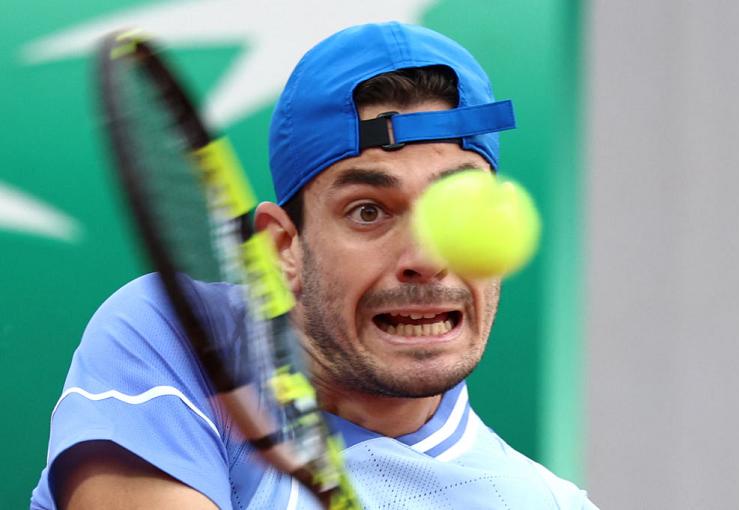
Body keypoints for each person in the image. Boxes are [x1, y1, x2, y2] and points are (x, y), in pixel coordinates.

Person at [31, 22, 598, 509]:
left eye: (460, 212)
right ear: (283, 249)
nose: (426, 260)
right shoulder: (183, 338)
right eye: (370, 211)